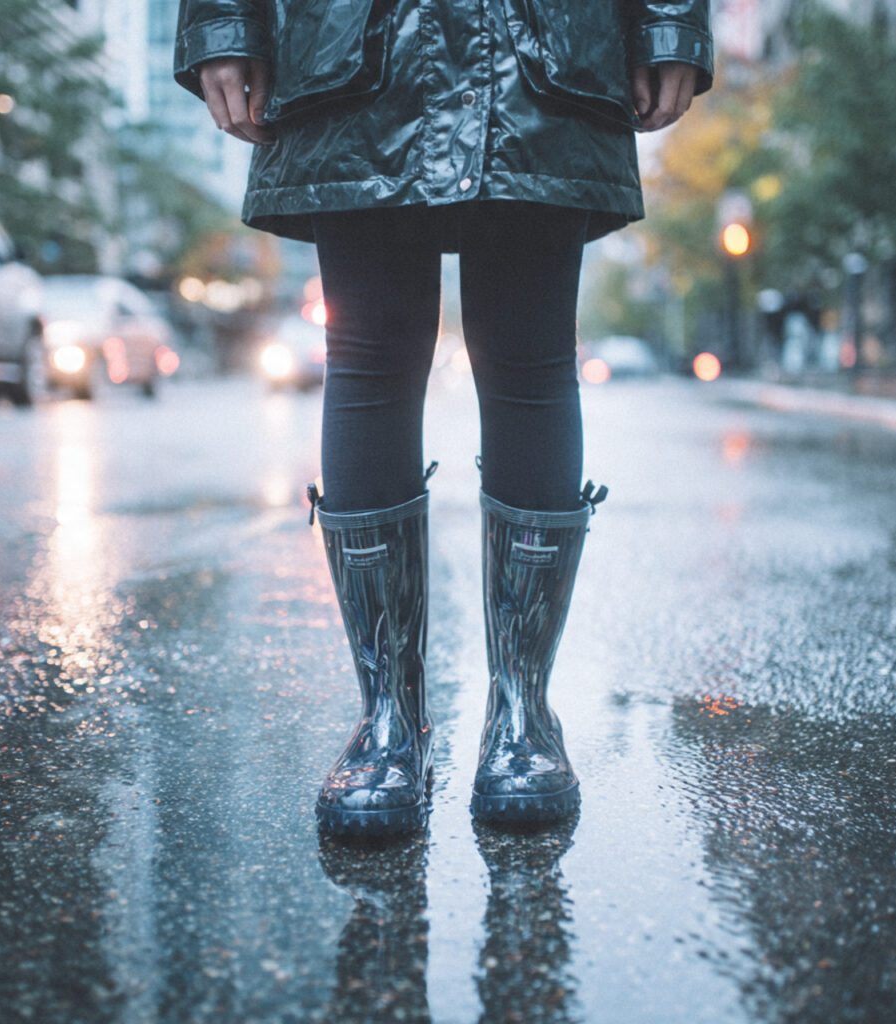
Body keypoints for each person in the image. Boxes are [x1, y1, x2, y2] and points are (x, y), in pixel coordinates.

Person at [175, 0, 712, 836]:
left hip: (542, 43)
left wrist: (670, 24)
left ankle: (522, 710)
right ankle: (389, 715)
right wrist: (224, 26)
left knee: (530, 355)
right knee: (370, 354)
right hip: (352, 42)